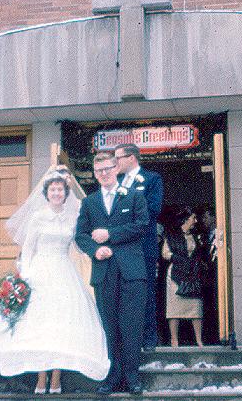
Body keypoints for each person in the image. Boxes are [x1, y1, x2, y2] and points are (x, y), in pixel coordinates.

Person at [0, 170, 110, 394]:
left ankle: (56, 377)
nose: (56, 193)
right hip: (40, 271)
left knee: (60, 324)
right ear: (46, 193)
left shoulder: (73, 217)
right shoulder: (38, 217)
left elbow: (79, 241)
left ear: (66, 193)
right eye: (53, 190)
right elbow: (29, 249)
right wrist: (25, 275)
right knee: (41, 325)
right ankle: (41, 377)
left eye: (60, 190)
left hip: (64, 270)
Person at [75, 151, 149, 395]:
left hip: (132, 272)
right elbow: (80, 236)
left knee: (132, 325)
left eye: (108, 168)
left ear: (117, 168)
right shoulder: (89, 202)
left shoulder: (134, 195)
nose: (104, 173)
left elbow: (142, 225)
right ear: (95, 174)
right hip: (104, 273)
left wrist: (110, 234)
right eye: (99, 171)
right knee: (110, 326)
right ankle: (113, 377)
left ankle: (132, 377)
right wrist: (95, 250)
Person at [114, 143, 163, 352]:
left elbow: (153, 209)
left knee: (146, 291)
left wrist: (125, 212)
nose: (115, 163)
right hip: (120, 247)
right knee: (121, 293)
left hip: (143, 246)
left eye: (118, 158)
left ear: (131, 158)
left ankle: (149, 338)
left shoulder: (152, 179)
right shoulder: (115, 181)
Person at [162, 207, 204, 347]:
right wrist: (179, 259)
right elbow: (165, 253)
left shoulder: (196, 236)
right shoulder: (171, 235)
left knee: (196, 306)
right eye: (193, 218)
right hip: (176, 274)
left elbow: (200, 253)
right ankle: (174, 340)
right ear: (185, 220)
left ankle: (199, 340)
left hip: (192, 273)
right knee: (174, 307)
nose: (195, 221)